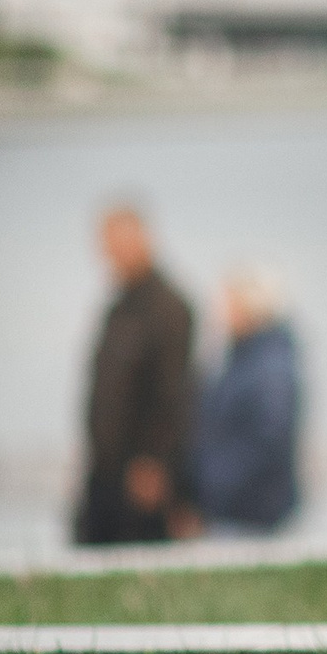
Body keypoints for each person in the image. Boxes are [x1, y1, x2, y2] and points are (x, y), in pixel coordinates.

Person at [76, 203, 198, 546]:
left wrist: (156, 461)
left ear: (143, 239)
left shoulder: (169, 308)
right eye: (105, 244)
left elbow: (175, 395)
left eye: (117, 242)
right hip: (105, 470)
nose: (109, 253)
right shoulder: (119, 306)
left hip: (141, 474)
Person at [191, 266, 303, 535]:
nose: (222, 313)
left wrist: (211, 488)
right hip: (237, 507)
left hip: (251, 512)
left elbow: (267, 441)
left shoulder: (268, 367)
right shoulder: (243, 359)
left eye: (229, 303)